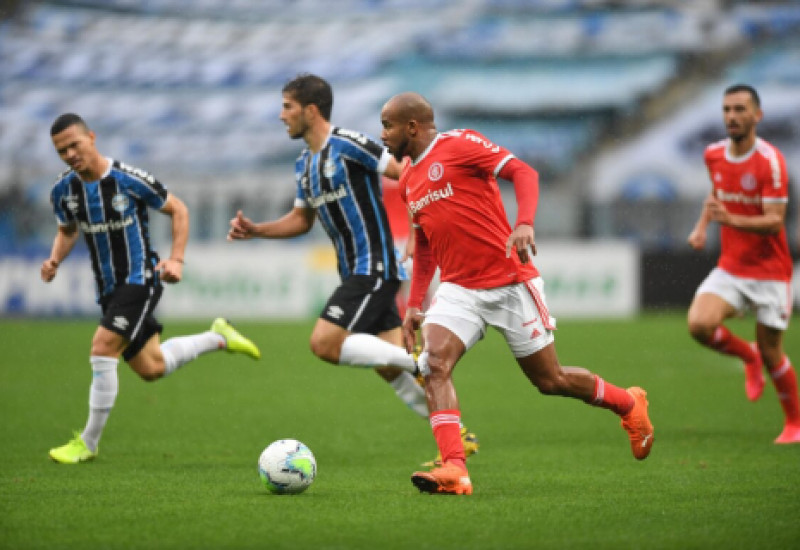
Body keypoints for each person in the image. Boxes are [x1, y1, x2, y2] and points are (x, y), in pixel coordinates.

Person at [379, 92, 654, 496]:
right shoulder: (407, 179)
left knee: (550, 379)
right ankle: (455, 469)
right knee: (433, 363)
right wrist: (416, 304)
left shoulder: (460, 144)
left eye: (387, 125)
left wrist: (524, 222)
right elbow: (424, 246)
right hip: (458, 289)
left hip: (509, 282)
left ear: (413, 127)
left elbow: (524, 173)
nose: (383, 134)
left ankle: (629, 404)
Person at [227, 74, 479, 461]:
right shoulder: (304, 165)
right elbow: (301, 220)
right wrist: (257, 230)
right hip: (354, 272)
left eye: (287, 107)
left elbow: (406, 174)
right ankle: (454, 443)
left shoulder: (348, 144)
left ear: (311, 110)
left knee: (324, 343)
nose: (281, 116)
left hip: (374, 267)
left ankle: (420, 361)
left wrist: (418, 227)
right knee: (388, 367)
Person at [43, 113, 261, 464]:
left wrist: (176, 259)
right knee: (151, 367)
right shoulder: (62, 191)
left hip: (140, 279)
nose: (69, 154)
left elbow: (179, 209)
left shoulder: (128, 179)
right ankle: (219, 337)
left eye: (74, 145)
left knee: (102, 348)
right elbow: (67, 231)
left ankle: (87, 442)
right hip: (109, 289)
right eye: (61, 150)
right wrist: (55, 260)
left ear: (92, 138)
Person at [687, 84, 799, 444]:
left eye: (739, 110)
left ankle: (795, 424)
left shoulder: (770, 161)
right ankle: (747, 356)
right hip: (732, 266)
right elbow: (716, 195)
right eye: (727, 110)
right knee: (699, 325)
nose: (732, 117)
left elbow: (774, 221)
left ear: (757, 115)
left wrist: (729, 220)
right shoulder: (713, 155)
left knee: (773, 351)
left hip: (770, 271)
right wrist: (702, 227)